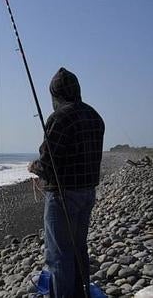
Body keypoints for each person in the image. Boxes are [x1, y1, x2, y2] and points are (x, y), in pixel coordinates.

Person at [28, 67, 105, 298]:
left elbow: (48, 164)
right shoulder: (94, 116)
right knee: (79, 248)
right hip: (87, 194)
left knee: (59, 255)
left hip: (63, 197)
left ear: (56, 94)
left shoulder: (59, 118)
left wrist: (34, 167)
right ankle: (79, 293)